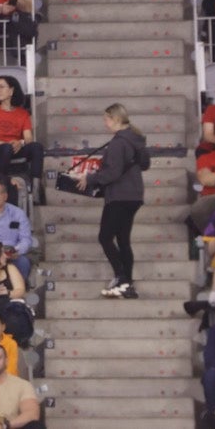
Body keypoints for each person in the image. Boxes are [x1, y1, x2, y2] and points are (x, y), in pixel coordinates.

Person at [69, 102, 150, 299]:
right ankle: (127, 285)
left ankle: (122, 278)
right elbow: (145, 164)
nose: (104, 123)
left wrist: (89, 178)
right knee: (123, 240)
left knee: (105, 237)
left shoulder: (117, 143)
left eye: (106, 119)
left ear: (115, 119)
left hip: (119, 196)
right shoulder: (137, 139)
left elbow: (111, 173)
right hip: (134, 195)